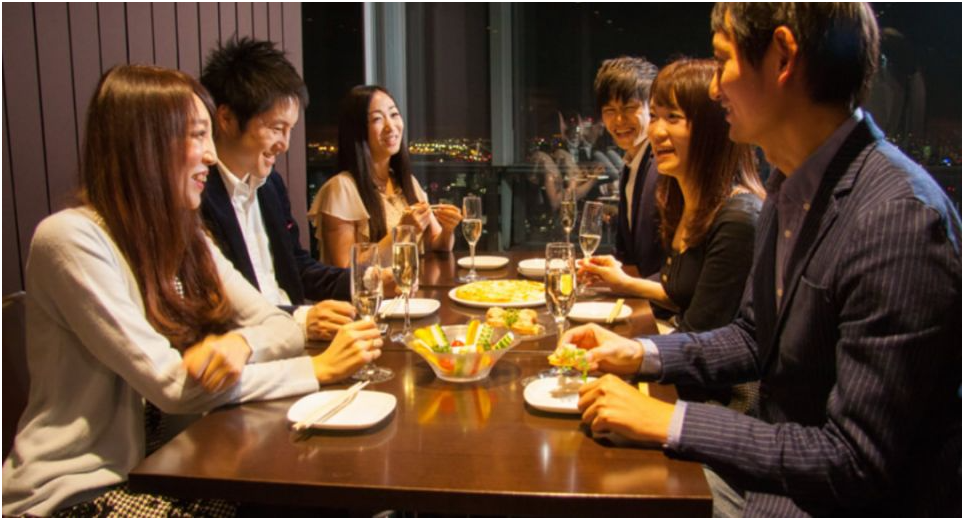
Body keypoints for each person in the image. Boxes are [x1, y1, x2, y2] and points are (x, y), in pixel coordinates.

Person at [566, 3, 961, 516]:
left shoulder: (898, 218)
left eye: (722, 60)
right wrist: (640, 352)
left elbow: (854, 461)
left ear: (783, 57)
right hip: (767, 473)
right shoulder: (789, 185)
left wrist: (669, 420)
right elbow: (754, 336)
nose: (714, 88)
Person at [1, 65, 383, 517]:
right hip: (79, 490)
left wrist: (241, 343)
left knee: (331, 493)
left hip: (177, 463)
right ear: (145, 143)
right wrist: (316, 369)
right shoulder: (71, 239)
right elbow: (173, 386)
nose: (210, 156)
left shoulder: (186, 236)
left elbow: (279, 324)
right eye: (197, 136)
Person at [580, 58, 764, 410]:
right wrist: (624, 285)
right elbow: (686, 297)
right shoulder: (684, 201)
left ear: (712, 127)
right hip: (681, 365)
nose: (656, 131)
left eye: (672, 118)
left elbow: (704, 343)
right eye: (656, 116)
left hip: (713, 400)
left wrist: (632, 353)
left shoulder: (738, 219)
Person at [200, 38, 355, 341]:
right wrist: (301, 319)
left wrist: (363, 281)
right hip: (252, 350)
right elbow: (217, 305)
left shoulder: (270, 185)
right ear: (227, 119)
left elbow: (297, 267)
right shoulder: (199, 196)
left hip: (295, 339)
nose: (284, 144)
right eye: (276, 128)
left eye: (290, 130)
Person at [310, 85, 462, 267]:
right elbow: (346, 268)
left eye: (394, 114)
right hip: (378, 287)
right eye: (377, 119)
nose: (390, 126)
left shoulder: (406, 182)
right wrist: (402, 232)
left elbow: (438, 244)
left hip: (412, 285)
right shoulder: (341, 189)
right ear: (357, 130)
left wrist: (448, 229)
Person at [594, 56, 664, 277]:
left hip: (660, 293)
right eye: (610, 110)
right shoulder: (631, 164)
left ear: (652, 108)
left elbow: (661, 261)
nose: (619, 120)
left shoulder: (663, 165)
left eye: (629, 107)